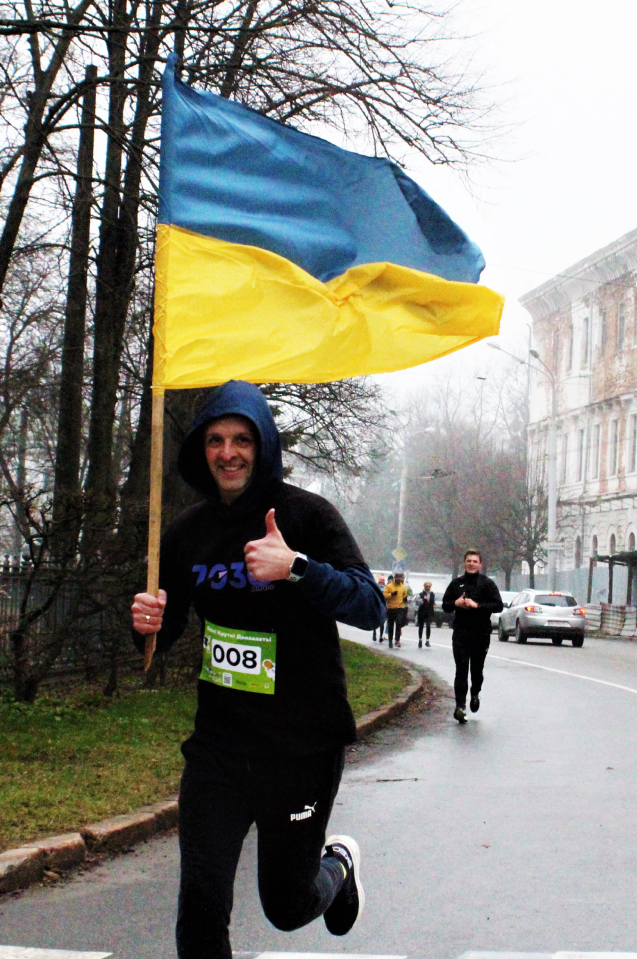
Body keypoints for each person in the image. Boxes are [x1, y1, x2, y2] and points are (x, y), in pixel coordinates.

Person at [131, 381, 384, 959]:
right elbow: (163, 636)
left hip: (301, 747)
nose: (228, 453)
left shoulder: (307, 516)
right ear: (202, 449)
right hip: (219, 747)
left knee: (287, 905)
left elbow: (368, 605)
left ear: (263, 445)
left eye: (242, 439)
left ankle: (337, 868)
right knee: (200, 902)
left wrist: (295, 567)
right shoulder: (186, 533)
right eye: (216, 440)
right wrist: (148, 623)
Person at [440, 549, 503, 723]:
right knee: (461, 670)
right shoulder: (456, 583)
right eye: (468, 560)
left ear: (480, 564)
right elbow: (445, 605)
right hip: (461, 632)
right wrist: (456, 603)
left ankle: (475, 693)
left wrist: (478, 606)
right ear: (464, 563)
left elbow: (498, 606)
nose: (471, 563)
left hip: (481, 633)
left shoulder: (487, 583)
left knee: (476, 670)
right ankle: (460, 706)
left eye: (475, 561)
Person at [383, 573, 408, 648]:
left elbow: (405, 596)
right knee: (390, 625)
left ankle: (397, 640)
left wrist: (405, 601)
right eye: (398, 578)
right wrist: (391, 594)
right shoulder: (389, 586)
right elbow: (384, 595)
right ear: (395, 578)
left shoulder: (403, 587)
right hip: (391, 607)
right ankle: (390, 640)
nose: (399, 580)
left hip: (400, 607)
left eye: (401, 579)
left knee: (398, 623)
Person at [414, 581, 436, 648]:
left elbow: (432, 601)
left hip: (429, 612)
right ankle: (420, 640)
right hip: (422, 612)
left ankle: (427, 640)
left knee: (428, 626)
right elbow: (417, 602)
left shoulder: (432, 594)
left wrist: (433, 603)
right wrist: (422, 600)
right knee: (421, 626)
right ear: (424, 587)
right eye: (427, 586)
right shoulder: (421, 594)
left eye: (429, 586)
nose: (428, 588)